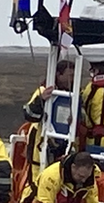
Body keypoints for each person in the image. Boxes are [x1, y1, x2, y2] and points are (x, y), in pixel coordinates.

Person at [22, 59, 77, 195]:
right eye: (69, 75)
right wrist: (41, 100)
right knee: (36, 182)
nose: (72, 79)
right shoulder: (43, 91)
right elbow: (29, 114)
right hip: (41, 146)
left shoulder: (74, 95)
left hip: (61, 145)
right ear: (58, 74)